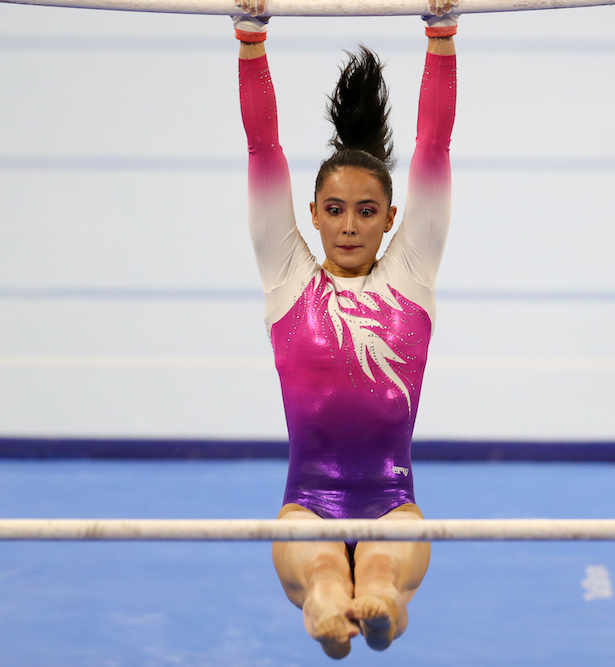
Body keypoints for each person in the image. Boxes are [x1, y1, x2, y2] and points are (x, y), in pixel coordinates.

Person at [233, 0, 457, 658]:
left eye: (366, 211)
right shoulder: (288, 278)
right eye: (334, 210)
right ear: (312, 213)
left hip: (394, 502)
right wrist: (250, 40)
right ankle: (332, 613)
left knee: (382, 573)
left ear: (391, 217)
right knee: (326, 572)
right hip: (307, 502)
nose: (350, 225)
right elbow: (262, 150)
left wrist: (441, 35)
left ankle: (373, 613)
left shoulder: (410, 277)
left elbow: (434, 149)